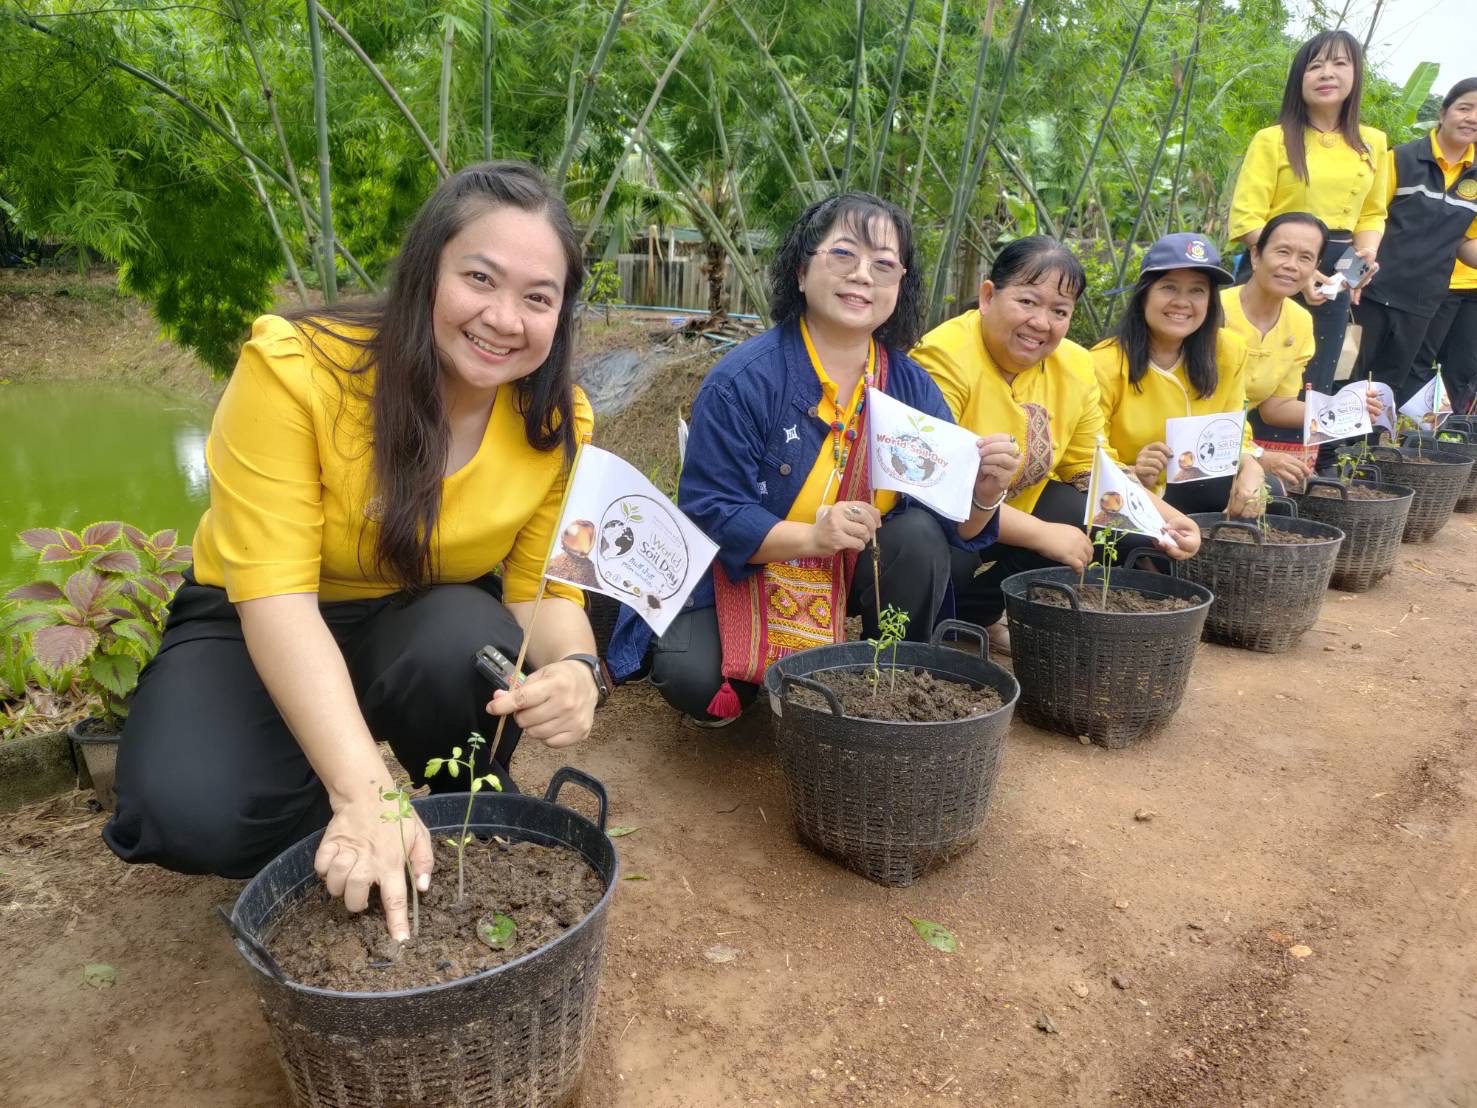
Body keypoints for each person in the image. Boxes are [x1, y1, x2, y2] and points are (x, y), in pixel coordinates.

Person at [104, 163, 606, 943]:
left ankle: (446, 804)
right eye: (480, 278)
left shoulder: (557, 421)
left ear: (561, 315)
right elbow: (276, 598)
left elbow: (541, 591)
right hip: (256, 618)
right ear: (425, 272)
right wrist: (363, 790)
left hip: (417, 618)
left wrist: (577, 669)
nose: (505, 318)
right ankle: (337, 820)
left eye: (538, 298)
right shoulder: (296, 369)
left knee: (465, 641)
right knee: (190, 805)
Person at [605, 192, 1016, 721]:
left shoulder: (910, 388)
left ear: (899, 286)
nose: (863, 274)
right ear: (802, 272)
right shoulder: (743, 381)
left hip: (851, 572)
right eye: (843, 254)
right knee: (694, 679)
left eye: (883, 264)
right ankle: (760, 667)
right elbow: (711, 513)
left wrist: (982, 492)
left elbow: (956, 526)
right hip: (751, 570)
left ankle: (890, 680)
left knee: (919, 539)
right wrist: (812, 537)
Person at [911, 236, 1201, 647]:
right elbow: (939, 487)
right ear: (988, 295)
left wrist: (1169, 519)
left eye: (1059, 311)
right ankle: (930, 629)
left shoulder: (1075, 365)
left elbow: (1093, 467)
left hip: (1015, 504)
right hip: (946, 516)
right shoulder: (942, 358)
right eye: (1028, 302)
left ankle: (976, 615)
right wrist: (1043, 534)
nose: (1041, 323)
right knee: (942, 553)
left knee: (1110, 522)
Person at [1229, 30, 1388, 394]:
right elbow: (1246, 219)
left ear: (1355, 74)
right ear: (1299, 79)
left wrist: (1363, 263)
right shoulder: (1272, 139)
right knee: (1249, 372)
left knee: (1315, 378)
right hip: (1275, 264)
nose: (1327, 73)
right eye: (1315, 66)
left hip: (1338, 267)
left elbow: (1372, 213)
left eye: (1339, 63)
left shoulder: (1373, 142)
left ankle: (1301, 453)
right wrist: (1300, 272)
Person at [1092, 233, 1268, 517]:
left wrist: (1251, 464)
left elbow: (1235, 429)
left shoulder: (1228, 351)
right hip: (1132, 495)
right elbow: (1088, 455)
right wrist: (1135, 471)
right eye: (1169, 287)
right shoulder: (1105, 364)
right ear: (1143, 294)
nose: (1182, 302)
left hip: (1203, 485)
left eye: (1197, 291)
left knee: (1265, 491)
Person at [1220, 211, 1381, 481]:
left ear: (1316, 266)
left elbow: (1276, 408)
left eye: (1305, 258)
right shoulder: (1215, 312)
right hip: (1193, 444)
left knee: (1277, 493)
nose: (1292, 265)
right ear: (1256, 255)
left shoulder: (1300, 322)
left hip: (1235, 447)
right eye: (1282, 252)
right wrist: (1256, 457)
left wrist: (1343, 409)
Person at [1355, 78, 1477, 403]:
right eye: (1465, 108)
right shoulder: (1401, 159)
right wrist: (1348, 280)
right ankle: (1329, 454)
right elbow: (1368, 219)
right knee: (1349, 376)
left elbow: (1465, 242)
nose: (1472, 118)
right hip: (1372, 292)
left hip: (1423, 303)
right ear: (1443, 112)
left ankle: (1372, 452)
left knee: (1389, 387)